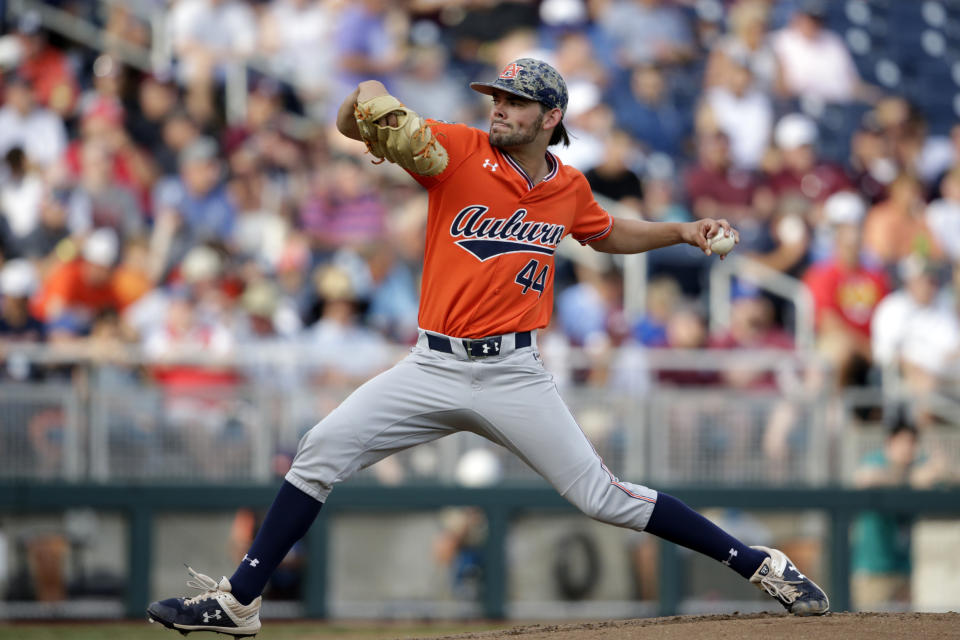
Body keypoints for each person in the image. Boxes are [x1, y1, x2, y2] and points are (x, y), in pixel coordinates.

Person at [146, 58, 828, 638]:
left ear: (551, 115)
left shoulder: (566, 188)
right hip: (431, 364)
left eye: (516, 102)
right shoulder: (456, 150)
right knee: (319, 450)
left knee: (603, 496)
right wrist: (371, 100)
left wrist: (680, 230)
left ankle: (758, 563)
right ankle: (240, 602)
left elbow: (607, 232)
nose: (499, 108)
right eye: (496, 98)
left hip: (512, 371)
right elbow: (351, 119)